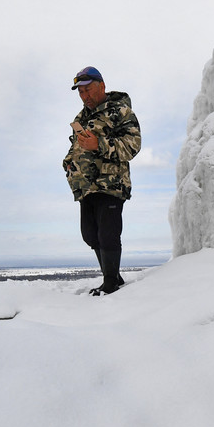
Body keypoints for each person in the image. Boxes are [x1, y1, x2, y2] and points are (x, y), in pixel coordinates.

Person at [62, 66, 141, 295]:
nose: (84, 96)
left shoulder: (121, 111)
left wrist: (99, 145)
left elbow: (132, 146)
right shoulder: (82, 117)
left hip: (111, 184)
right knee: (89, 233)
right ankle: (114, 277)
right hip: (86, 186)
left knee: (108, 233)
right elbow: (77, 147)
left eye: (88, 90)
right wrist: (68, 163)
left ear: (102, 86)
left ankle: (110, 284)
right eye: (80, 92)